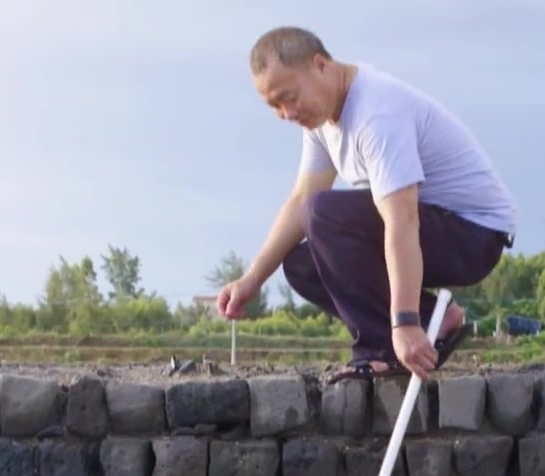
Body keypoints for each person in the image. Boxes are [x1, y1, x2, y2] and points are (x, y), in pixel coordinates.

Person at [214, 27, 518, 384]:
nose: (287, 113)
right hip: (430, 226)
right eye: (274, 106)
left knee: (324, 213)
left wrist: (404, 323)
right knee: (302, 264)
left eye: (289, 97)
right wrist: (252, 279)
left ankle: (380, 349)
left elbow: (401, 220)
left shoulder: (376, 112)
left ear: (320, 65)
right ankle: (436, 316)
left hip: (473, 234)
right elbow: (299, 200)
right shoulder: (321, 120)